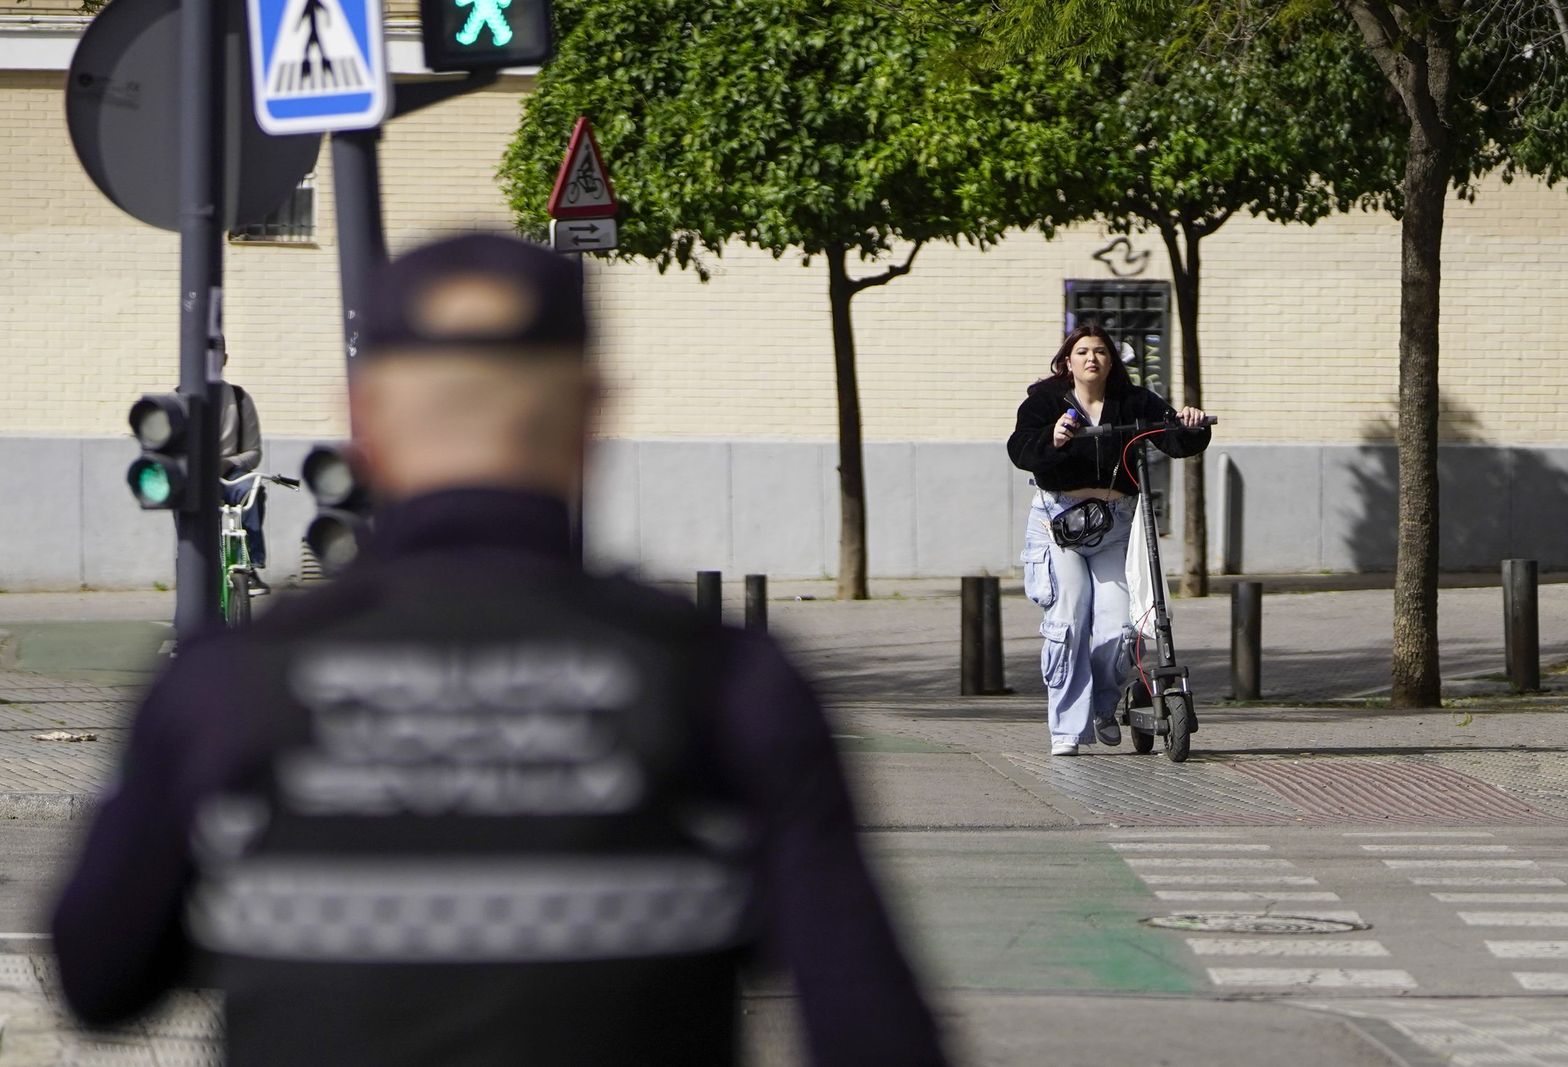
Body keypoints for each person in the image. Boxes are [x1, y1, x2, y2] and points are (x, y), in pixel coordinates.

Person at [52, 234, 949, 1067]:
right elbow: (872, 1026)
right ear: (593, 409)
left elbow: (98, 977)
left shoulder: (229, 682)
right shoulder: (726, 679)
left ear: (363, 423)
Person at [1006, 322, 1209, 756]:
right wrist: (1053, 437)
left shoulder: (1131, 401)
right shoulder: (1045, 401)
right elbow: (1020, 448)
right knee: (1071, 619)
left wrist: (1190, 424)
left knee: (1121, 627)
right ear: (1067, 361)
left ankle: (1103, 705)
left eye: (1100, 351)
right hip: (1059, 524)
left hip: (1115, 524)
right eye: (1082, 352)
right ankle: (1066, 730)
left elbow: (1172, 437)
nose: (1091, 358)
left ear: (1112, 360)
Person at [217, 348, 268, 592]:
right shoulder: (179, 398)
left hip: (229, 473)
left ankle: (250, 565)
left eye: (215, 353)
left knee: (252, 491)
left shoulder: (239, 398)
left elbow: (254, 453)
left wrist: (230, 462)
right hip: (195, 476)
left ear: (224, 359)